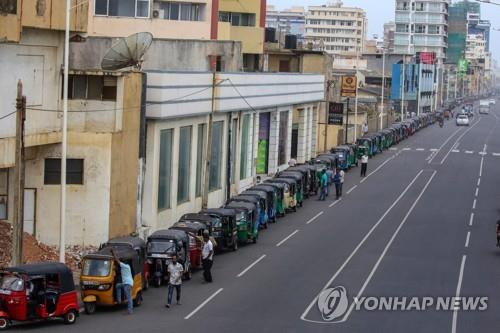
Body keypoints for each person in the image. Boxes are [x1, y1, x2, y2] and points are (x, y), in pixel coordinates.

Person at [111, 249, 134, 315]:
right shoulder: (128, 266)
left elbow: (116, 259)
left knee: (129, 297)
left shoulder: (123, 266)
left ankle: (130, 311)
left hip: (127, 284)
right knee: (117, 286)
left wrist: (113, 252)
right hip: (127, 283)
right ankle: (119, 300)